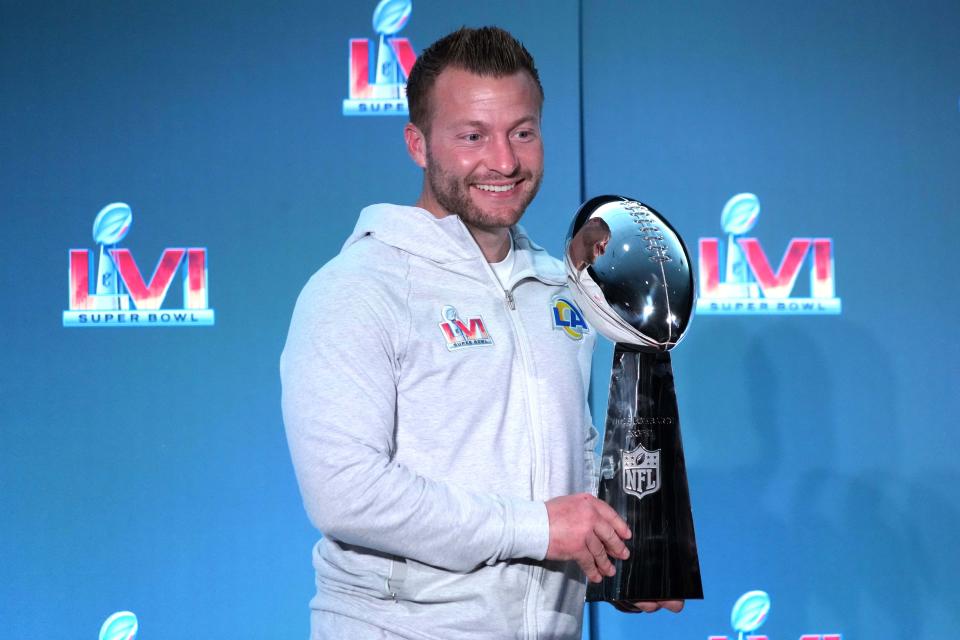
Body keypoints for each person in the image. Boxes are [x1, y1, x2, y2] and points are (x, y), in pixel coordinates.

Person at [280, 26, 682, 639]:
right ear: (418, 144)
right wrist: (539, 528)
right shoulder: (357, 288)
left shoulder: (560, 287)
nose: (503, 160)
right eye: (472, 136)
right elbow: (346, 492)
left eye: (522, 132)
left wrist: (614, 557)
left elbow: (566, 460)